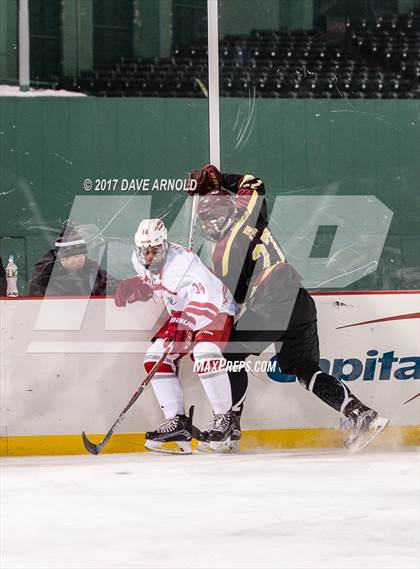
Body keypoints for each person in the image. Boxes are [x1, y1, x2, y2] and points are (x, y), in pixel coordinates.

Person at [188, 164, 389, 452]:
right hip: (299, 301)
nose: (207, 227)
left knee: (229, 355)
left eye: (209, 221)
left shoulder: (222, 253)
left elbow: (229, 302)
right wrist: (220, 179)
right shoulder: (249, 214)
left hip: (273, 301)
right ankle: (360, 414)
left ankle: (230, 427)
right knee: (305, 369)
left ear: (220, 219)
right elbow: (254, 182)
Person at [114, 218, 237, 453]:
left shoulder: (184, 264)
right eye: (145, 251)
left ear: (165, 245)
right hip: (183, 313)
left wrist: (184, 326)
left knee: (205, 354)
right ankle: (177, 423)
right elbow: (163, 286)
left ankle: (224, 419)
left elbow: (205, 300)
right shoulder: (138, 261)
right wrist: (141, 285)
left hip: (215, 308)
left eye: (155, 250)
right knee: (154, 358)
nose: (149, 256)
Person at [28, 220, 119, 297]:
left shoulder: (90, 268)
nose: (82, 259)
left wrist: (122, 287)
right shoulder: (43, 274)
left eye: (83, 255)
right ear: (62, 258)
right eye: (76, 256)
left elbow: (107, 284)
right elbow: (38, 300)